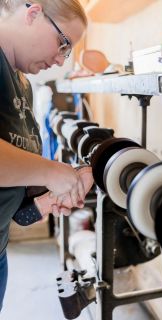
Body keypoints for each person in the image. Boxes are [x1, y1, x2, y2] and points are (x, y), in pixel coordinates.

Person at [0, 0, 88, 311]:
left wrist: (42, 200)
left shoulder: (23, 85)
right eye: (64, 44)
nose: (62, 60)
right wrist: (50, 172)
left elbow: (15, 202)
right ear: (34, 14)